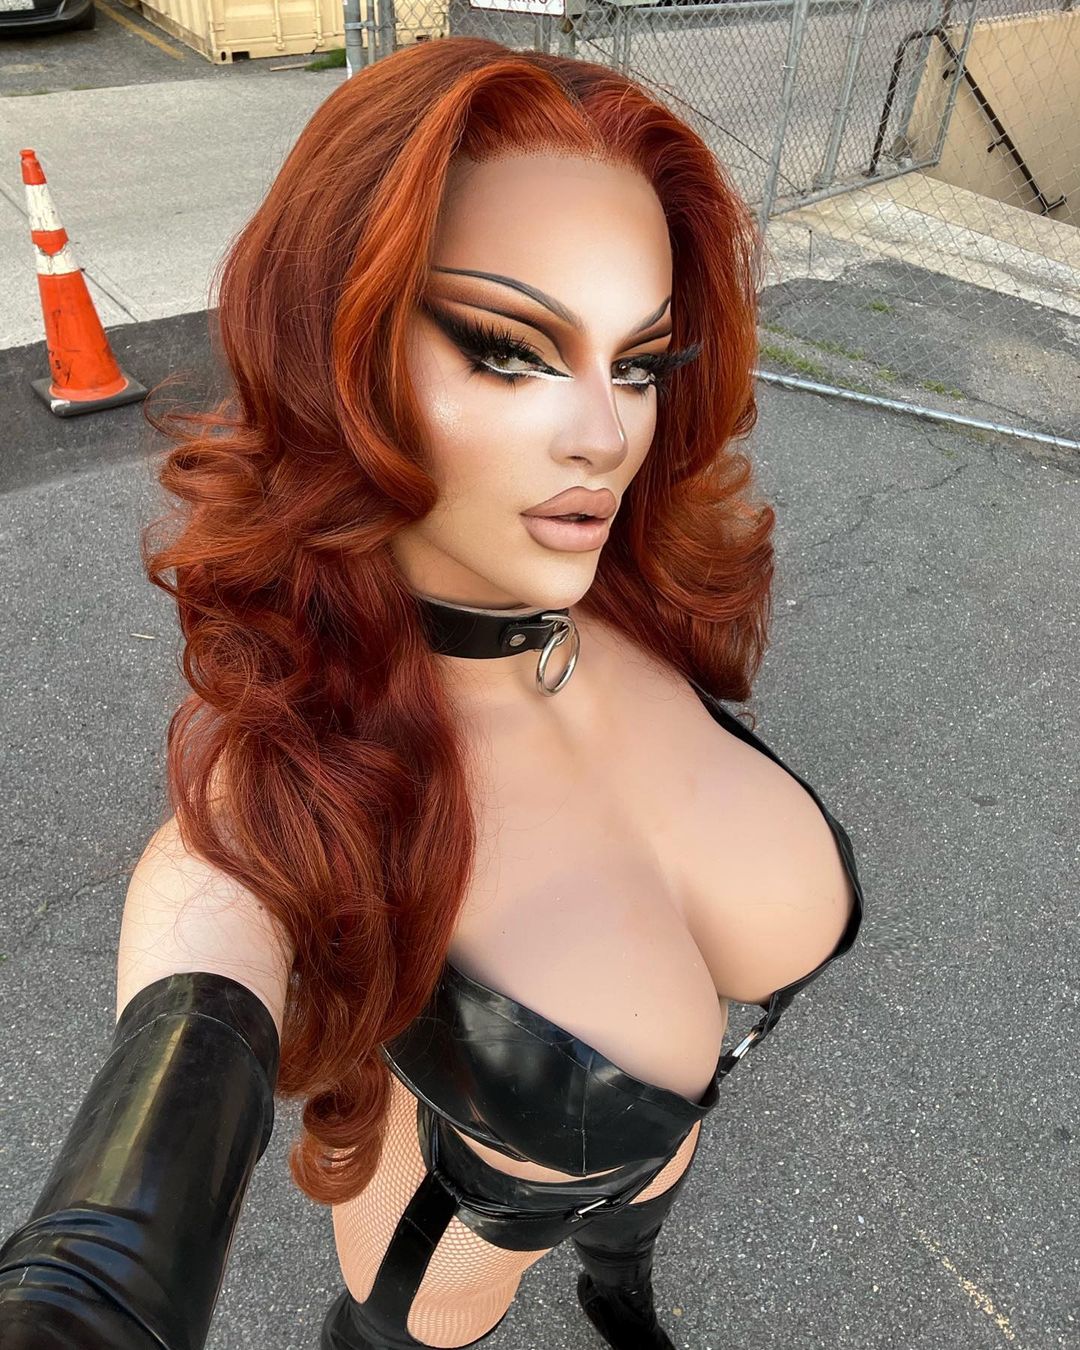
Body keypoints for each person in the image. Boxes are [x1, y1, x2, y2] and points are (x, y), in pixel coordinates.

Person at [0, 34, 865, 1350]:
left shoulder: (623, 600)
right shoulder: (283, 789)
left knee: (634, 1229)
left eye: (638, 362)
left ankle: (619, 1280)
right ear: (336, 358)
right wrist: (86, 1292)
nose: (606, 434)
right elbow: (119, 1214)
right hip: (455, 1244)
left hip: (650, 1152)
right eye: (511, 350)